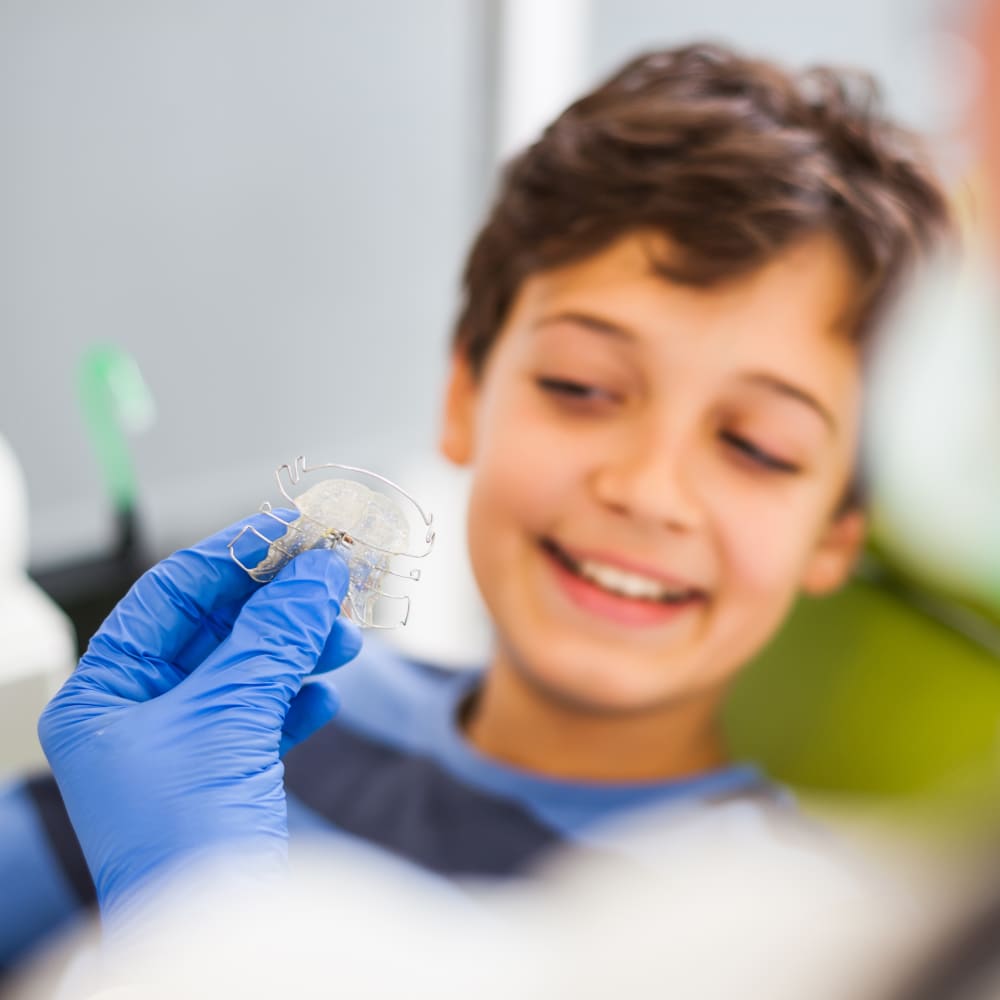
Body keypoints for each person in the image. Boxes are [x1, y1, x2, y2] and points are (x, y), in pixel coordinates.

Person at [0, 41, 951, 977]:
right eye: (581, 386)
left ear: (840, 530)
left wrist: (197, 926)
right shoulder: (274, 726)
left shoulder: (827, 942)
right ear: (463, 397)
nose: (647, 489)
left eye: (757, 447)